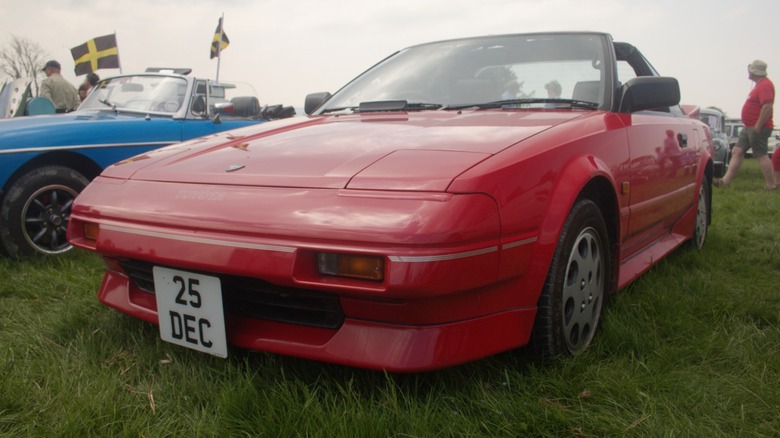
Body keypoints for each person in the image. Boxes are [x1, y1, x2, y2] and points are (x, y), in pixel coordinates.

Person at [715, 60, 776, 191]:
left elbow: (767, 106)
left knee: (761, 154)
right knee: (737, 151)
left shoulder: (765, 85)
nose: (748, 72)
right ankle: (724, 181)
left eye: (750, 70)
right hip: (749, 126)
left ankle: (771, 184)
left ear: (755, 72)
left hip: (758, 126)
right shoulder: (758, 85)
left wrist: (758, 126)